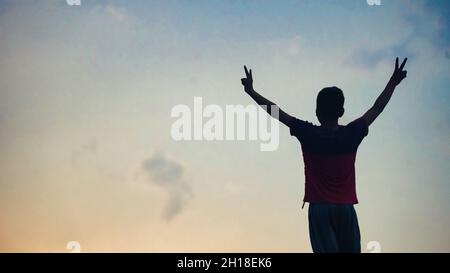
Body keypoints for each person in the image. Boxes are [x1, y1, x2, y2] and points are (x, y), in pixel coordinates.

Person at [240, 58, 408, 253]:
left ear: (317, 111)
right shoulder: (352, 134)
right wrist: (393, 82)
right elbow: (376, 108)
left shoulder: (308, 133)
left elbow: (277, 113)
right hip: (345, 208)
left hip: (320, 209)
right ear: (342, 111)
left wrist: (251, 91)